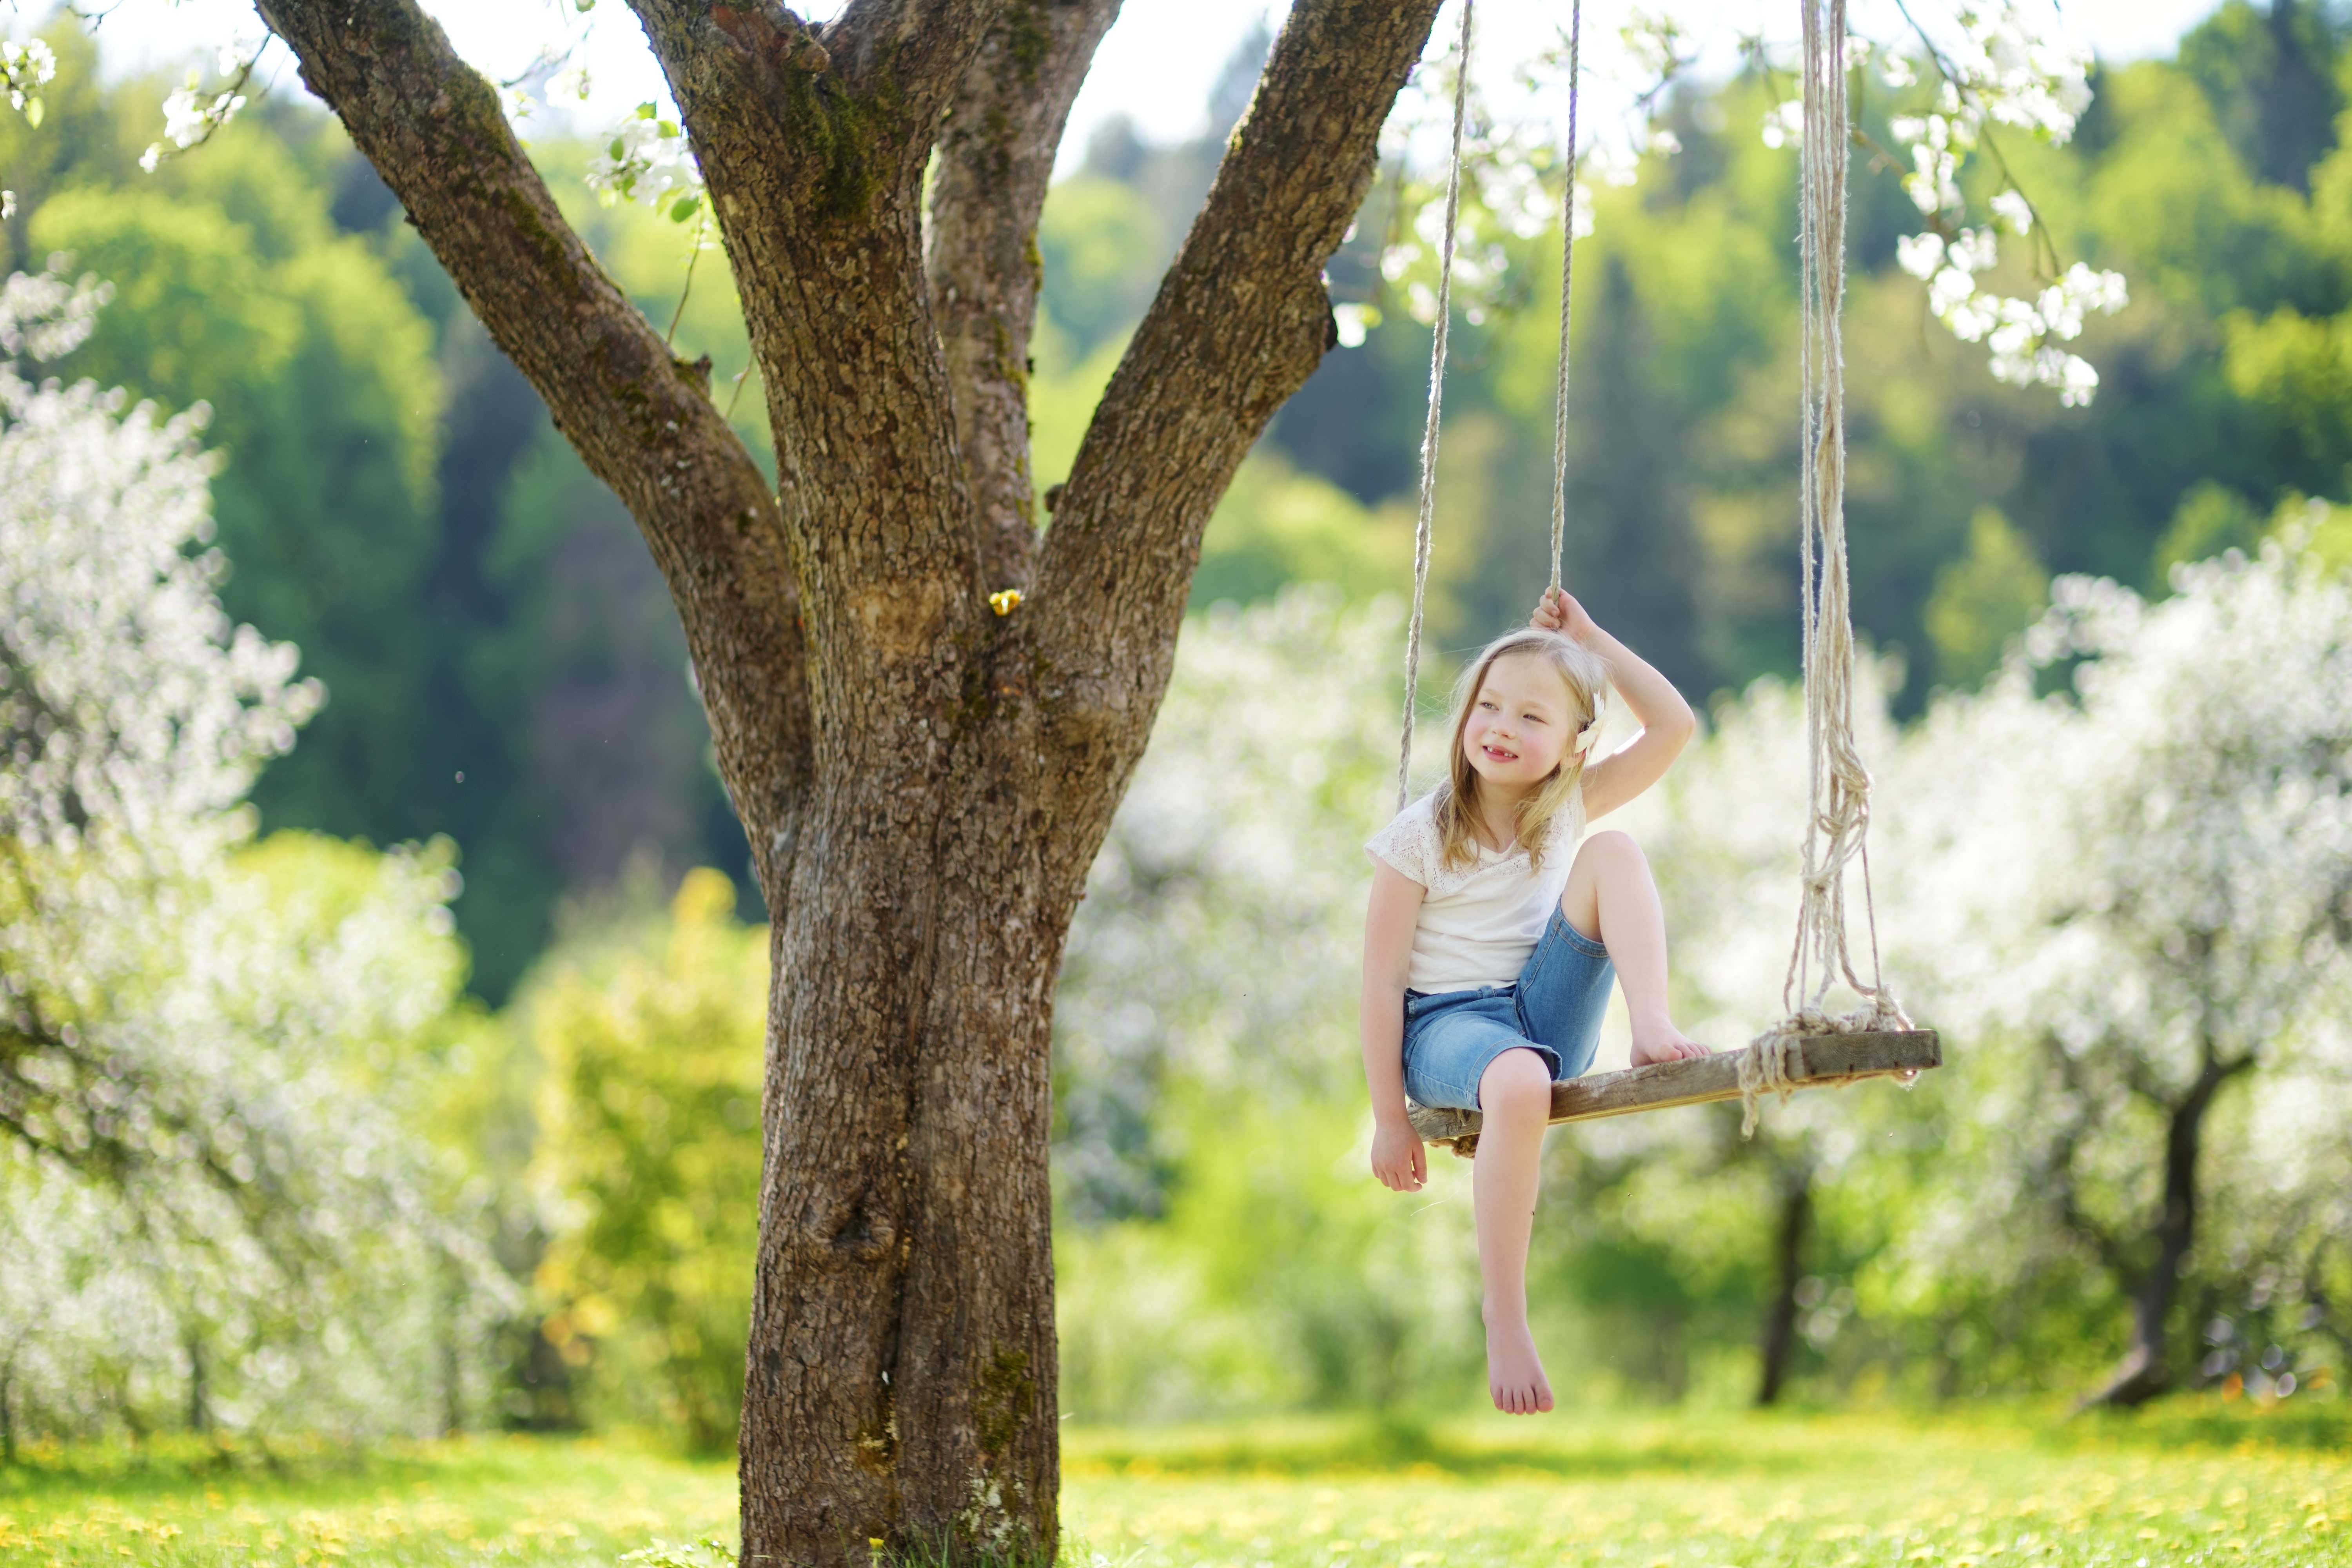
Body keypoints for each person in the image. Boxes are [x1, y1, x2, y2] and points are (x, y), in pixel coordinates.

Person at [1360, 585, 1709, 1415]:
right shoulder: (1421, 832)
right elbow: (1379, 981)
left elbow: (1674, 726)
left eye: (1531, 718)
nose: (1502, 728)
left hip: (1542, 1015)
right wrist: (1388, 1115)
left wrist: (1590, 637)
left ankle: (1651, 1023)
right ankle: (1506, 1315)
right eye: (1490, 706)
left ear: (1574, 746)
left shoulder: (1566, 809)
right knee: (1517, 1081)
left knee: (1615, 851)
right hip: (1443, 1028)